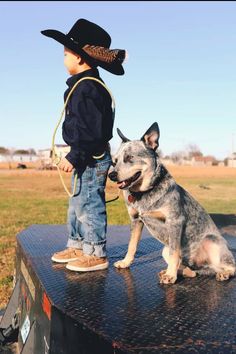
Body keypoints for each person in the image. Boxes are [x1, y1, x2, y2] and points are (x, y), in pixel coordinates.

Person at [41, 18, 126, 271]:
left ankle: (96, 252)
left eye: (66, 53)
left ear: (79, 58)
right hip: (85, 156)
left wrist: (75, 155)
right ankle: (78, 245)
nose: (64, 58)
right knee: (78, 202)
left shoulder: (88, 88)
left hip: (92, 157)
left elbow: (90, 130)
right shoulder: (83, 86)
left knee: (90, 203)